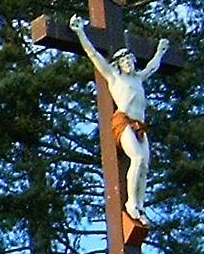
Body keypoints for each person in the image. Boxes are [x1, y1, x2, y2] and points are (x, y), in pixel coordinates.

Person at [70, 16, 171, 224]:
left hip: (139, 125)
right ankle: (131, 204)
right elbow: (93, 54)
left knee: (144, 167)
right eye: (125, 61)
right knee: (137, 159)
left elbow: (152, 67)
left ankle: (139, 206)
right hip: (123, 122)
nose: (129, 64)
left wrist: (160, 51)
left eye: (130, 60)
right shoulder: (114, 78)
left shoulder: (138, 78)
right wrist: (80, 32)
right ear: (118, 64)